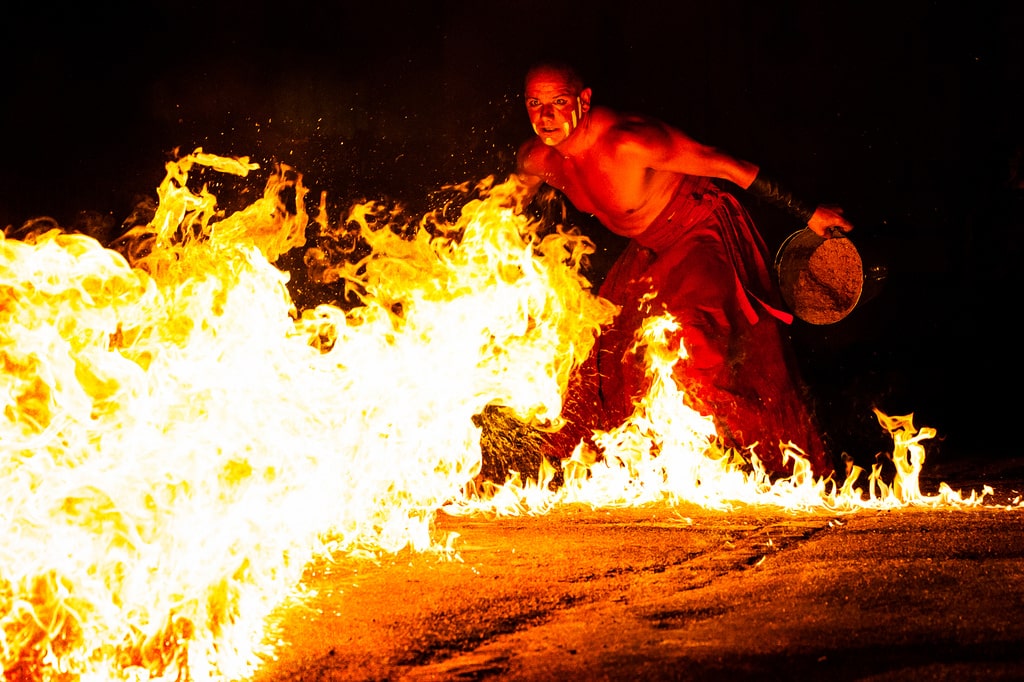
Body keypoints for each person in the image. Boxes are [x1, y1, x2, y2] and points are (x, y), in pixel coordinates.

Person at [512, 61, 853, 478]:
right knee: (600, 355)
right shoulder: (536, 158)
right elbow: (507, 207)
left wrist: (809, 213)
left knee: (693, 346)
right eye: (535, 104)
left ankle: (763, 471)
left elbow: (727, 165)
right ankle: (635, 471)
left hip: (698, 230)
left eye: (559, 102)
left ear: (583, 101)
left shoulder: (628, 141)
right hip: (648, 249)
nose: (546, 117)